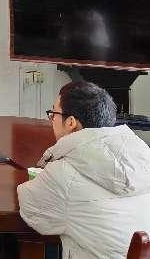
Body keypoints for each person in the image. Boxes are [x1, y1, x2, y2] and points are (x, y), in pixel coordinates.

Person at [18, 81, 150, 258]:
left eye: (53, 114)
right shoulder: (143, 157)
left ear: (71, 122)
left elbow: (31, 209)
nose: (51, 120)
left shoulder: (63, 175)